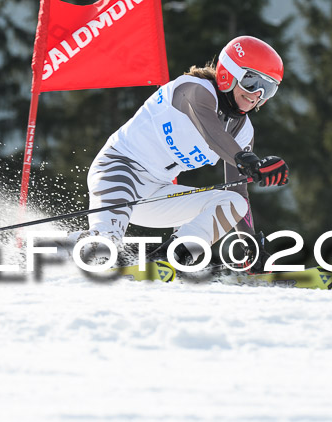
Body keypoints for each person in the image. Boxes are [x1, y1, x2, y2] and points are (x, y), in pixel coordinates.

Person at [77, 36, 289, 271]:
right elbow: (211, 133)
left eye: (267, 88)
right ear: (229, 73)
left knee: (234, 201)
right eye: (251, 82)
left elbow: (237, 187)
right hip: (118, 170)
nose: (257, 94)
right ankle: (51, 250)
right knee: (104, 250)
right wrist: (248, 161)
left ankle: (173, 258)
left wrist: (249, 245)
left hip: (156, 192)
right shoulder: (194, 90)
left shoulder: (242, 130)